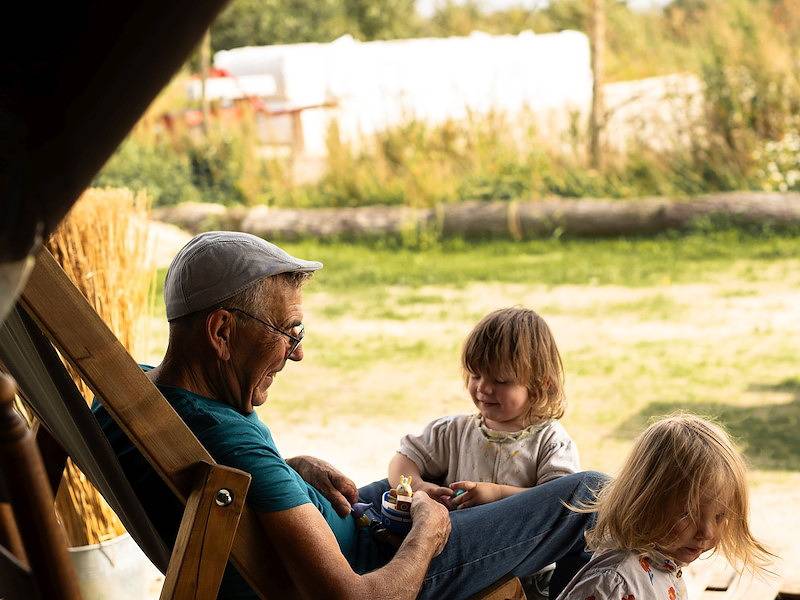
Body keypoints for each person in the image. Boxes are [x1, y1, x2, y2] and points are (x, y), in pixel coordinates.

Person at [93, 231, 604, 600]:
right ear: (221, 332)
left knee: (420, 486)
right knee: (593, 494)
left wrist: (289, 469)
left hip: (354, 527)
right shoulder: (229, 441)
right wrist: (428, 533)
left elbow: (220, 485)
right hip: (388, 566)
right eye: (289, 332)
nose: (296, 354)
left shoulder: (129, 395)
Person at [556, 414, 772, 600]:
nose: (707, 532)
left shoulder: (664, 565)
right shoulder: (613, 584)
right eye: (689, 514)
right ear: (645, 502)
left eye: (720, 516)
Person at [389, 307, 579, 510]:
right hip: (451, 536)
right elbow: (403, 459)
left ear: (540, 385)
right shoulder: (452, 433)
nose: (483, 388)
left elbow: (559, 500)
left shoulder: (551, 442)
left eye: (500, 380)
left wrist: (498, 494)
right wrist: (418, 487)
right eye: (475, 375)